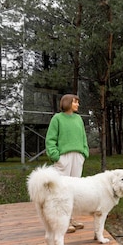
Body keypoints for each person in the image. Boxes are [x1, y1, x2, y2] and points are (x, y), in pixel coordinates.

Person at [45, 93, 89, 232]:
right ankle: (60, 222)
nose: (78, 104)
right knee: (60, 190)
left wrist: (84, 152)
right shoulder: (57, 118)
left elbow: (83, 137)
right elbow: (50, 139)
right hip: (63, 158)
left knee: (74, 189)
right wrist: (56, 156)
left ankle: (71, 219)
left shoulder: (78, 119)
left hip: (78, 157)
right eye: (75, 102)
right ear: (68, 102)